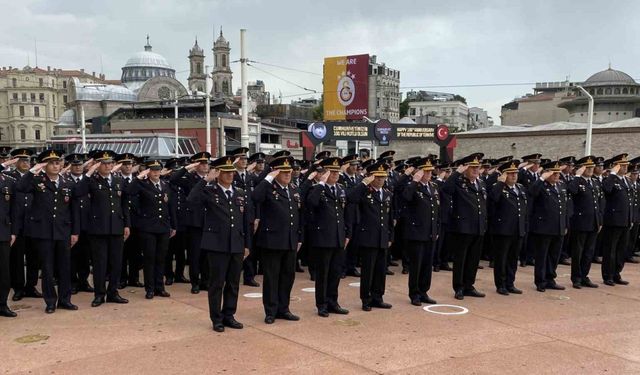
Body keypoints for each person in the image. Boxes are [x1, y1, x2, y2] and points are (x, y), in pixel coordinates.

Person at [188, 156, 253, 332]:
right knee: (217, 283)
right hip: (217, 245)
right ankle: (216, 318)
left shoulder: (239, 193)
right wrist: (205, 180)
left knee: (233, 283)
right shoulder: (210, 191)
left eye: (231, 172)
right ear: (218, 174)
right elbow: (191, 201)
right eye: (225, 172)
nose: (230, 175)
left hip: (236, 244)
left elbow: (246, 221)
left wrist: (247, 245)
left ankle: (229, 315)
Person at [16, 149, 79, 314]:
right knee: (48, 268)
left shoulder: (67, 183)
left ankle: (65, 300)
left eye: (57, 162)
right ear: (44, 165)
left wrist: (75, 232)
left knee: (65, 267)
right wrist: (34, 169)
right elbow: (20, 187)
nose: (55, 165)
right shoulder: (37, 181)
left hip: (63, 231)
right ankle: (50, 301)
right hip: (43, 232)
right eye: (51, 163)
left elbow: (73, 210)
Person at [74, 150, 130, 307]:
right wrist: (88, 172)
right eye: (104, 163)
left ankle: (113, 292)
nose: (107, 166)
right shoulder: (91, 180)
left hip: (117, 227)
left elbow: (124, 204)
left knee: (116, 262)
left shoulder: (118, 180)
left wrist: (127, 224)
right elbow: (77, 192)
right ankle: (99, 294)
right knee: (100, 263)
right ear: (97, 165)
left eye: (110, 163)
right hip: (98, 228)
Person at [252, 156, 303, 324]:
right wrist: (268, 177)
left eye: (289, 171)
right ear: (275, 172)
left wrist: (300, 236)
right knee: (272, 277)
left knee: (288, 276)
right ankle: (271, 311)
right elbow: (255, 197)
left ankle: (284, 308)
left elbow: (299, 215)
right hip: (272, 241)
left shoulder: (294, 189)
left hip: (290, 240)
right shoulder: (267, 188)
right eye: (283, 171)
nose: (288, 174)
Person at [305, 157, 350, 317]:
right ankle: (322, 304)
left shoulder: (341, 189)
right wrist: (321, 183)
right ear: (325, 173)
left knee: (335, 273)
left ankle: (333, 302)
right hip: (323, 237)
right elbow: (311, 203)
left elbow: (346, 213)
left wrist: (347, 233)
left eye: (337, 171)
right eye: (332, 172)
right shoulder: (317, 189)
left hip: (338, 237)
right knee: (323, 274)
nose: (336, 174)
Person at [347, 161, 394, 311]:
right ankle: (366, 299)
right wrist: (363, 184)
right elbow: (351, 198)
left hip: (382, 237)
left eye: (383, 177)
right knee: (368, 271)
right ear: (371, 177)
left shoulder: (387, 193)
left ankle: (378, 297)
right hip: (368, 237)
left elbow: (389, 217)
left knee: (381, 270)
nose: (380, 180)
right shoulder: (364, 192)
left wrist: (391, 236)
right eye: (377, 177)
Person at [128, 159, 177, 299]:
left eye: (158, 170)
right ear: (148, 172)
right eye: (153, 170)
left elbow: (170, 207)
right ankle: (149, 289)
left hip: (163, 227)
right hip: (148, 227)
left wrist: (173, 225)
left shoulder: (165, 185)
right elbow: (129, 191)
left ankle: (159, 287)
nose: (156, 172)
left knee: (161, 258)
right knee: (149, 259)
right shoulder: (142, 185)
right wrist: (138, 177)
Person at [441, 153, 488, 300]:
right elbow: (446, 189)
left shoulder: (480, 183)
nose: (475, 170)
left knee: (474, 259)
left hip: (478, 226)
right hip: (463, 227)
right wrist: (457, 172)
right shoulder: (458, 182)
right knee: (461, 259)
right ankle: (459, 287)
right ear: (466, 168)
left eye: (477, 167)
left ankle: (469, 285)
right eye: (472, 167)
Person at [169, 152, 211, 294]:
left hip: (209, 221)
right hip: (194, 221)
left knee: (207, 254)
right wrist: (188, 167)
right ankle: (195, 282)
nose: (205, 165)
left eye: (206, 163)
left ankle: (206, 281)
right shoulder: (190, 178)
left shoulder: (213, 178)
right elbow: (173, 179)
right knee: (195, 254)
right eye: (202, 163)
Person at [401, 157, 440, 305]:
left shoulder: (434, 187)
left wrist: (437, 228)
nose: (429, 173)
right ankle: (414, 294)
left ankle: (424, 291)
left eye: (430, 171)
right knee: (416, 265)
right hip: (417, 232)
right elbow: (406, 197)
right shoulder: (413, 186)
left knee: (427, 265)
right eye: (426, 171)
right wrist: (414, 181)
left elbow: (437, 210)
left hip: (430, 232)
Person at [5, 148, 42, 302]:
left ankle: (31, 286)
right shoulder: (9, 177)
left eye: (27, 160)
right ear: (15, 162)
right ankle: (18, 287)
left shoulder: (36, 177)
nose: (26, 163)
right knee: (17, 258)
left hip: (33, 223)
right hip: (17, 224)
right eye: (22, 160)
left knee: (34, 257)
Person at [488, 159, 527, 295]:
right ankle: (501, 284)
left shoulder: (520, 188)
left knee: (513, 258)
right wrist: (500, 182)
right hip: (503, 230)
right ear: (504, 175)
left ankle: (510, 283)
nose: (514, 176)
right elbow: (493, 199)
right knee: (501, 259)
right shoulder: (498, 187)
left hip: (517, 229)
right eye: (510, 173)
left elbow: (523, 209)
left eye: (515, 173)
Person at [529, 161, 569, 292]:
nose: (556, 176)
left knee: (554, 255)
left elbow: (565, 207)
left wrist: (565, 224)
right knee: (542, 255)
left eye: (558, 173)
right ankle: (540, 281)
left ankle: (550, 278)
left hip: (558, 226)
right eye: (553, 173)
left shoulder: (561, 185)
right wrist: (542, 178)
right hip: (544, 227)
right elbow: (532, 192)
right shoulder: (541, 185)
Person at [566, 156, 602, 289]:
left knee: (589, 252)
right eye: (588, 167)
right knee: (578, 252)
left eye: (592, 167)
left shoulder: (595, 182)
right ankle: (576, 278)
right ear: (582, 168)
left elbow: (599, 202)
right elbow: (571, 191)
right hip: (580, 222)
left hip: (593, 222)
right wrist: (577, 176)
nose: (591, 170)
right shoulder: (577, 182)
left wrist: (600, 221)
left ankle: (584, 276)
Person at [601, 154, 633, 286]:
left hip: (625, 220)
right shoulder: (611, 180)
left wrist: (631, 219)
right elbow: (606, 189)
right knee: (610, 249)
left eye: (626, 165)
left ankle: (616, 273)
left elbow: (630, 201)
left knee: (621, 249)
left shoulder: (626, 180)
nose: (625, 167)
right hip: (613, 220)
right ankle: (608, 275)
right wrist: (612, 174)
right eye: (622, 165)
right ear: (616, 166)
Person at [64, 153, 94, 295]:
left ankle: (84, 281)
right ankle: (73, 282)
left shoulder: (91, 180)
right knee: (72, 256)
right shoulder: (65, 181)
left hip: (88, 224)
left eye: (80, 164)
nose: (77, 167)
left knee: (85, 255)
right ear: (70, 166)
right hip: (70, 224)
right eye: (74, 165)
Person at [0, 157, 17, 317]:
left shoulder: (9, 182)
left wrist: (13, 231)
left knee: (4, 272)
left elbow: (14, 210)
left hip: (3, 232)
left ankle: (2, 304)